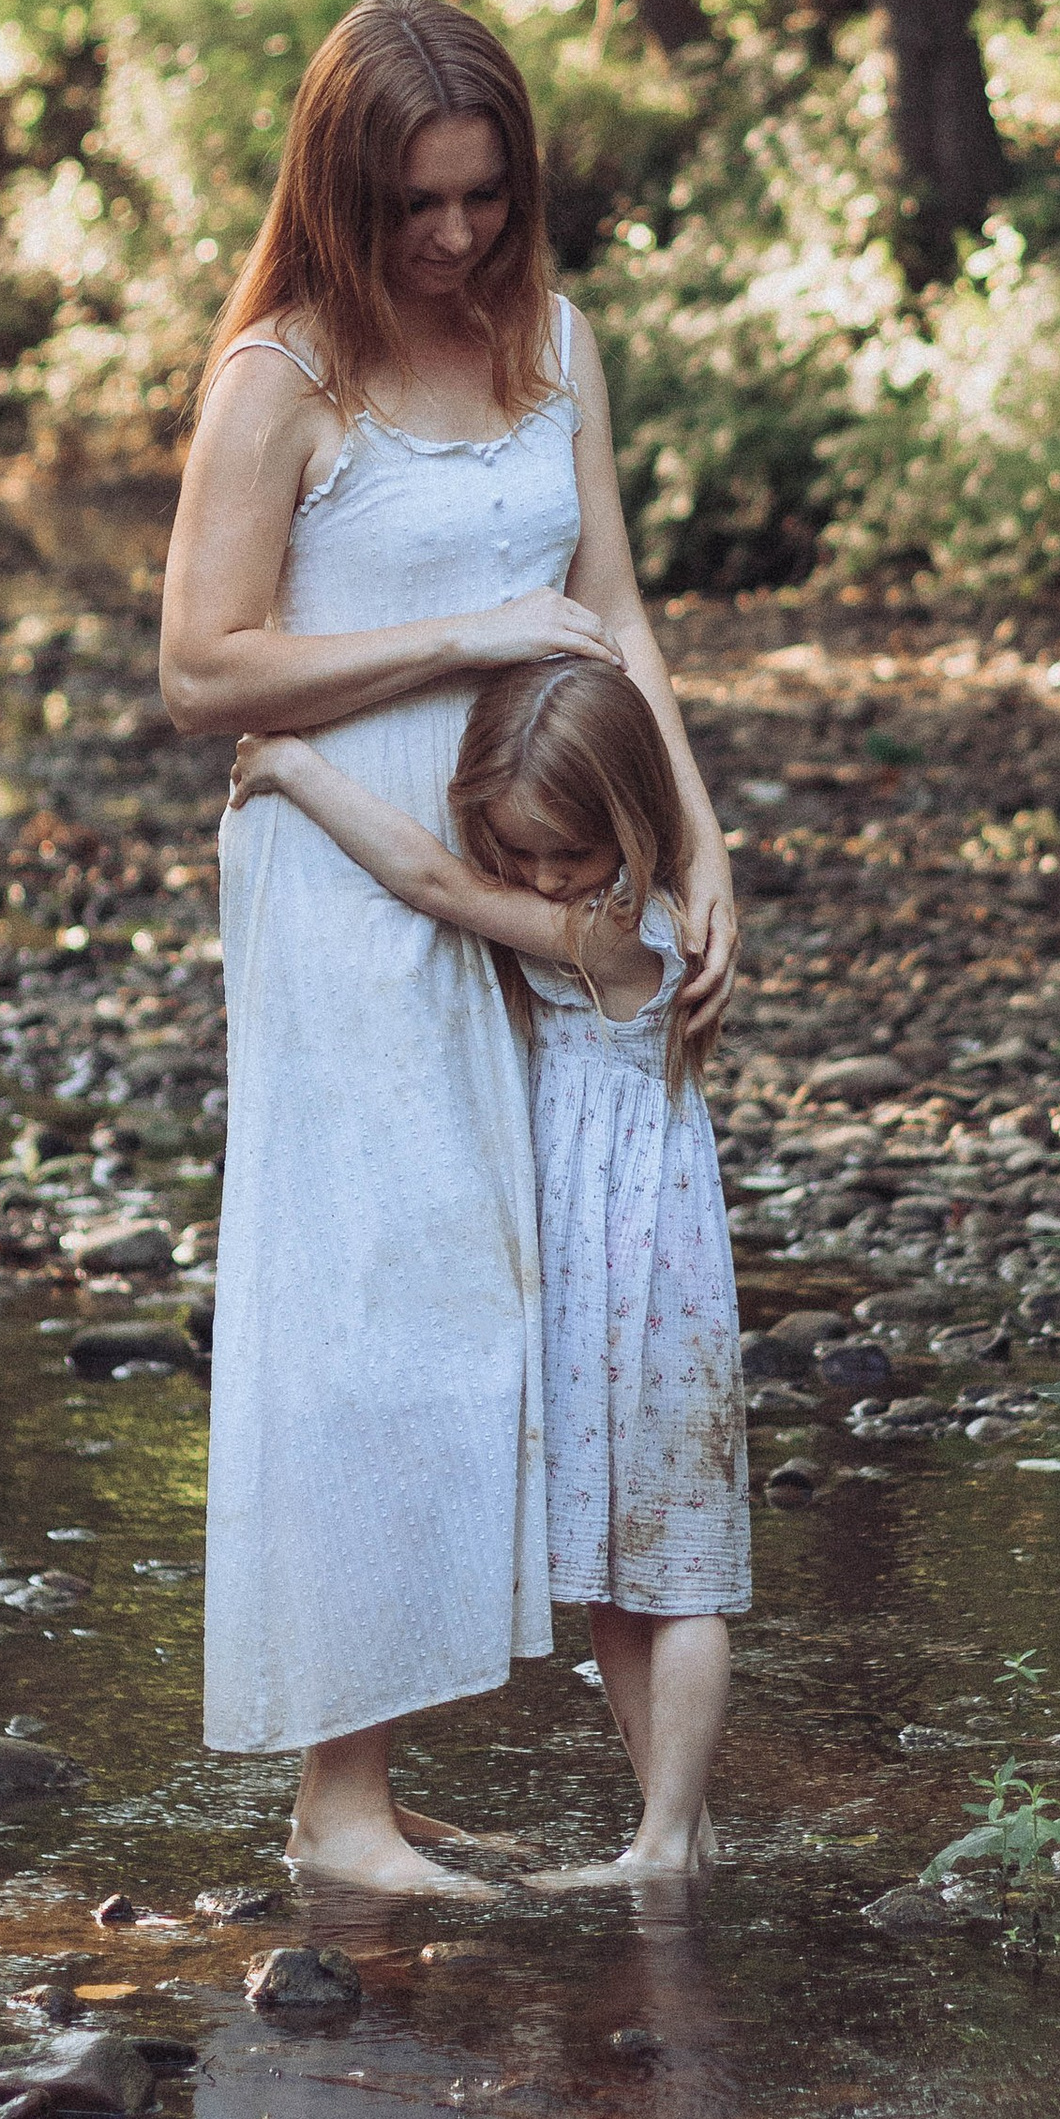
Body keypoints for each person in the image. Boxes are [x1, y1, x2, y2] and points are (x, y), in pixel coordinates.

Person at [158, 0, 735, 1898]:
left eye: (486, 197)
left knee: (509, 1303)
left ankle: (398, 1779)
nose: (457, 238)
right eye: (418, 203)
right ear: (341, 188)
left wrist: (699, 850)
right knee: (371, 1313)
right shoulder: (285, 380)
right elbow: (203, 673)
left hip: (554, 866)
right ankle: (340, 1799)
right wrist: (471, 637)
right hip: (345, 878)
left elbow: (619, 614)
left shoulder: (554, 345)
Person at [235, 653, 747, 1884]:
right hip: (623, 1271)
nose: (541, 877)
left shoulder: (614, 931)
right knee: (628, 1580)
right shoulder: (633, 907)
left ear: (631, 820)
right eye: (519, 854)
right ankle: (674, 1828)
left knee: (676, 1569)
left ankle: (666, 1842)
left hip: (638, 1279)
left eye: (566, 850)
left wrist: (298, 765)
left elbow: (422, 877)